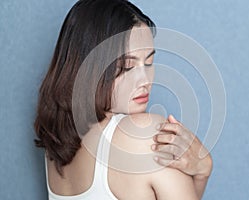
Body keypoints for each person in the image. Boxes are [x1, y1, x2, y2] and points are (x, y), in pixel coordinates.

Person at [34, 0, 212, 199]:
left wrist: (201, 174)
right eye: (127, 67)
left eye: (149, 62)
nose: (144, 80)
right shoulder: (143, 134)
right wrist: (204, 169)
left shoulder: (56, 143)